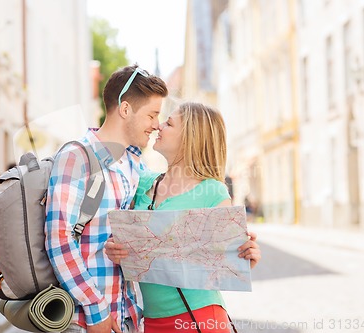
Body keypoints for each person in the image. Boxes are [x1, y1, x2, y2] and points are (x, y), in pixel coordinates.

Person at [105, 102, 261, 333]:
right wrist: (114, 250)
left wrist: (247, 256)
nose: (159, 125)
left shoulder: (212, 192)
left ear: (190, 137)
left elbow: (227, 260)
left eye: (169, 123)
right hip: (150, 321)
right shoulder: (143, 183)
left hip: (200, 318)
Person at [45, 64, 168, 333]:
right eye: (152, 115)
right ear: (125, 110)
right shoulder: (77, 158)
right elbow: (59, 239)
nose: (157, 125)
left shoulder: (134, 164)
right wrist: (95, 308)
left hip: (125, 315)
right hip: (86, 321)